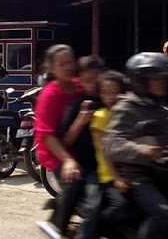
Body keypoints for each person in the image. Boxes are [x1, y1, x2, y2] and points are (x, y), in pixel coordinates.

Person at [103, 52, 168, 239]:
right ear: (140, 80)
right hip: (137, 176)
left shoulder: (159, 109)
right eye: (156, 78)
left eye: (163, 77)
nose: (162, 82)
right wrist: (143, 150)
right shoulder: (126, 107)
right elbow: (113, 143)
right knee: (163, 213)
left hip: (162, 171)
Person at [34, 44, 83, 239]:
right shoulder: (49, 95)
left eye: (70, 62)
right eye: (62, 64)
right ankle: (56, 226)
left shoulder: (80, 86)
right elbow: (47, 135)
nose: (68, 67)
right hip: (55, 151)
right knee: (75, 181)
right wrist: (68, 161)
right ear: (52, 69)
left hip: (80, 147)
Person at [57, 56, 105, 238]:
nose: (92, 84)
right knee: (92, 204)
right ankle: (59, 228)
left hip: (107, 164)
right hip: (84, 166)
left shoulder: (109, 99)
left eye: (96, 79)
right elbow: (66, 141)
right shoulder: (78, 104)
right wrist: (81, 120)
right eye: (87, 80)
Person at [79, 70, 130, 239]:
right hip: (108, 175)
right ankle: (96, 228)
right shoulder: (100, 117)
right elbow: (104, 151)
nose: (110, 97)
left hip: (129, 171)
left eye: (115, 92)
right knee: (121, 206)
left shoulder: (125, 113)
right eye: (105, 93)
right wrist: (116, 178)